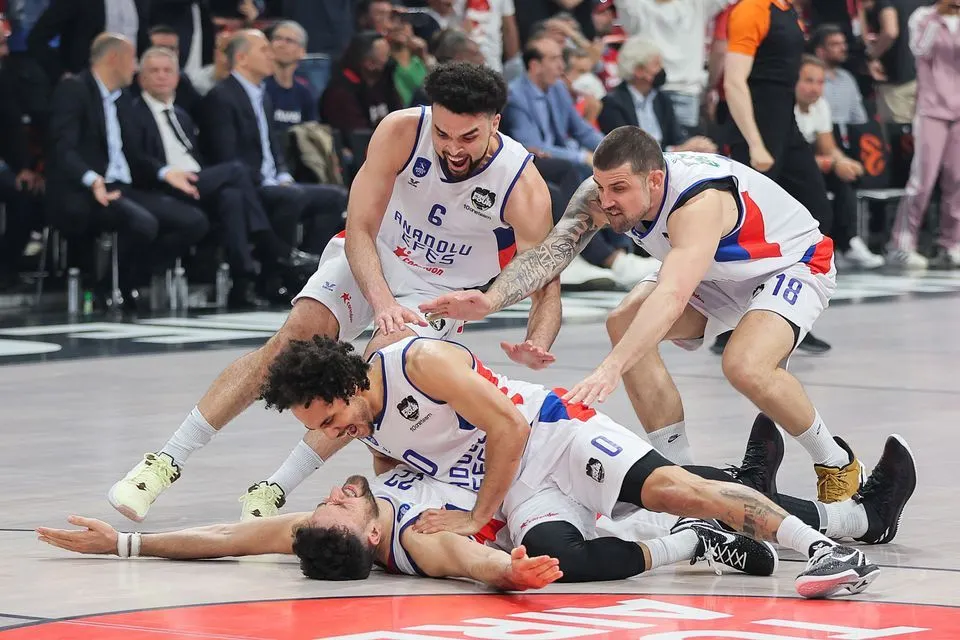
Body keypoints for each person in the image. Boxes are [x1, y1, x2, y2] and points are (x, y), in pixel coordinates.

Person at [107, 61, 563, 523]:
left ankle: (272, 490)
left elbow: (544, 280)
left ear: (495, 124)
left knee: (374, 381)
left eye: (468, 137)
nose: (452, 148)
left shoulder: (521, 184)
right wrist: (382, 300)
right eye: (444, 134)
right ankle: (164, 463)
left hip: (438, 292)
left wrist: (537, 341)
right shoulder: (402, 131)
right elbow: (360, 227)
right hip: (374, 254)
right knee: (293, 340)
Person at [250, 334, 885, 599]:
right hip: (516, 489)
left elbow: (509, 426)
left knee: (677, 489)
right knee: (562, 564)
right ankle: (704, 544)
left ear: (345, 385)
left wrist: (473, 518)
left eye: (329, 421)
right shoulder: (370, 423)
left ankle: (832, 549)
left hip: (552, 435)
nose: (333, 436)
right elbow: (415, 469)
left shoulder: (418, 364)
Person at [419, 127, 863, 505]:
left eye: (619, 190)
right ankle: (684, 473)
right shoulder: (604, 192)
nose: (606, 200)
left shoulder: (699, 202)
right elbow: (552, 254)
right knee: (624, 322)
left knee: (744, 365)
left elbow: (671, 296)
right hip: (715, 271)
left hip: (786, 262)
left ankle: (837, 464)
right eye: (602, 186)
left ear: (653, 180)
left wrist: (612, 368)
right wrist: (491, 299)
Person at [40, 416, 915, 588]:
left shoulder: (324, 526)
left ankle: (834, 515)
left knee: (685, 484)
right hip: (536, 483)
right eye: (342, 504)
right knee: (635, 524)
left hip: (539, 451)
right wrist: (512, 570)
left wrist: (122, 548)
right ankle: (843, 522)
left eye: (329, 502)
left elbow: (228, 538)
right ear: (367, 528)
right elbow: (479, 562)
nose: (334, 494)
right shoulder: (416, 541)